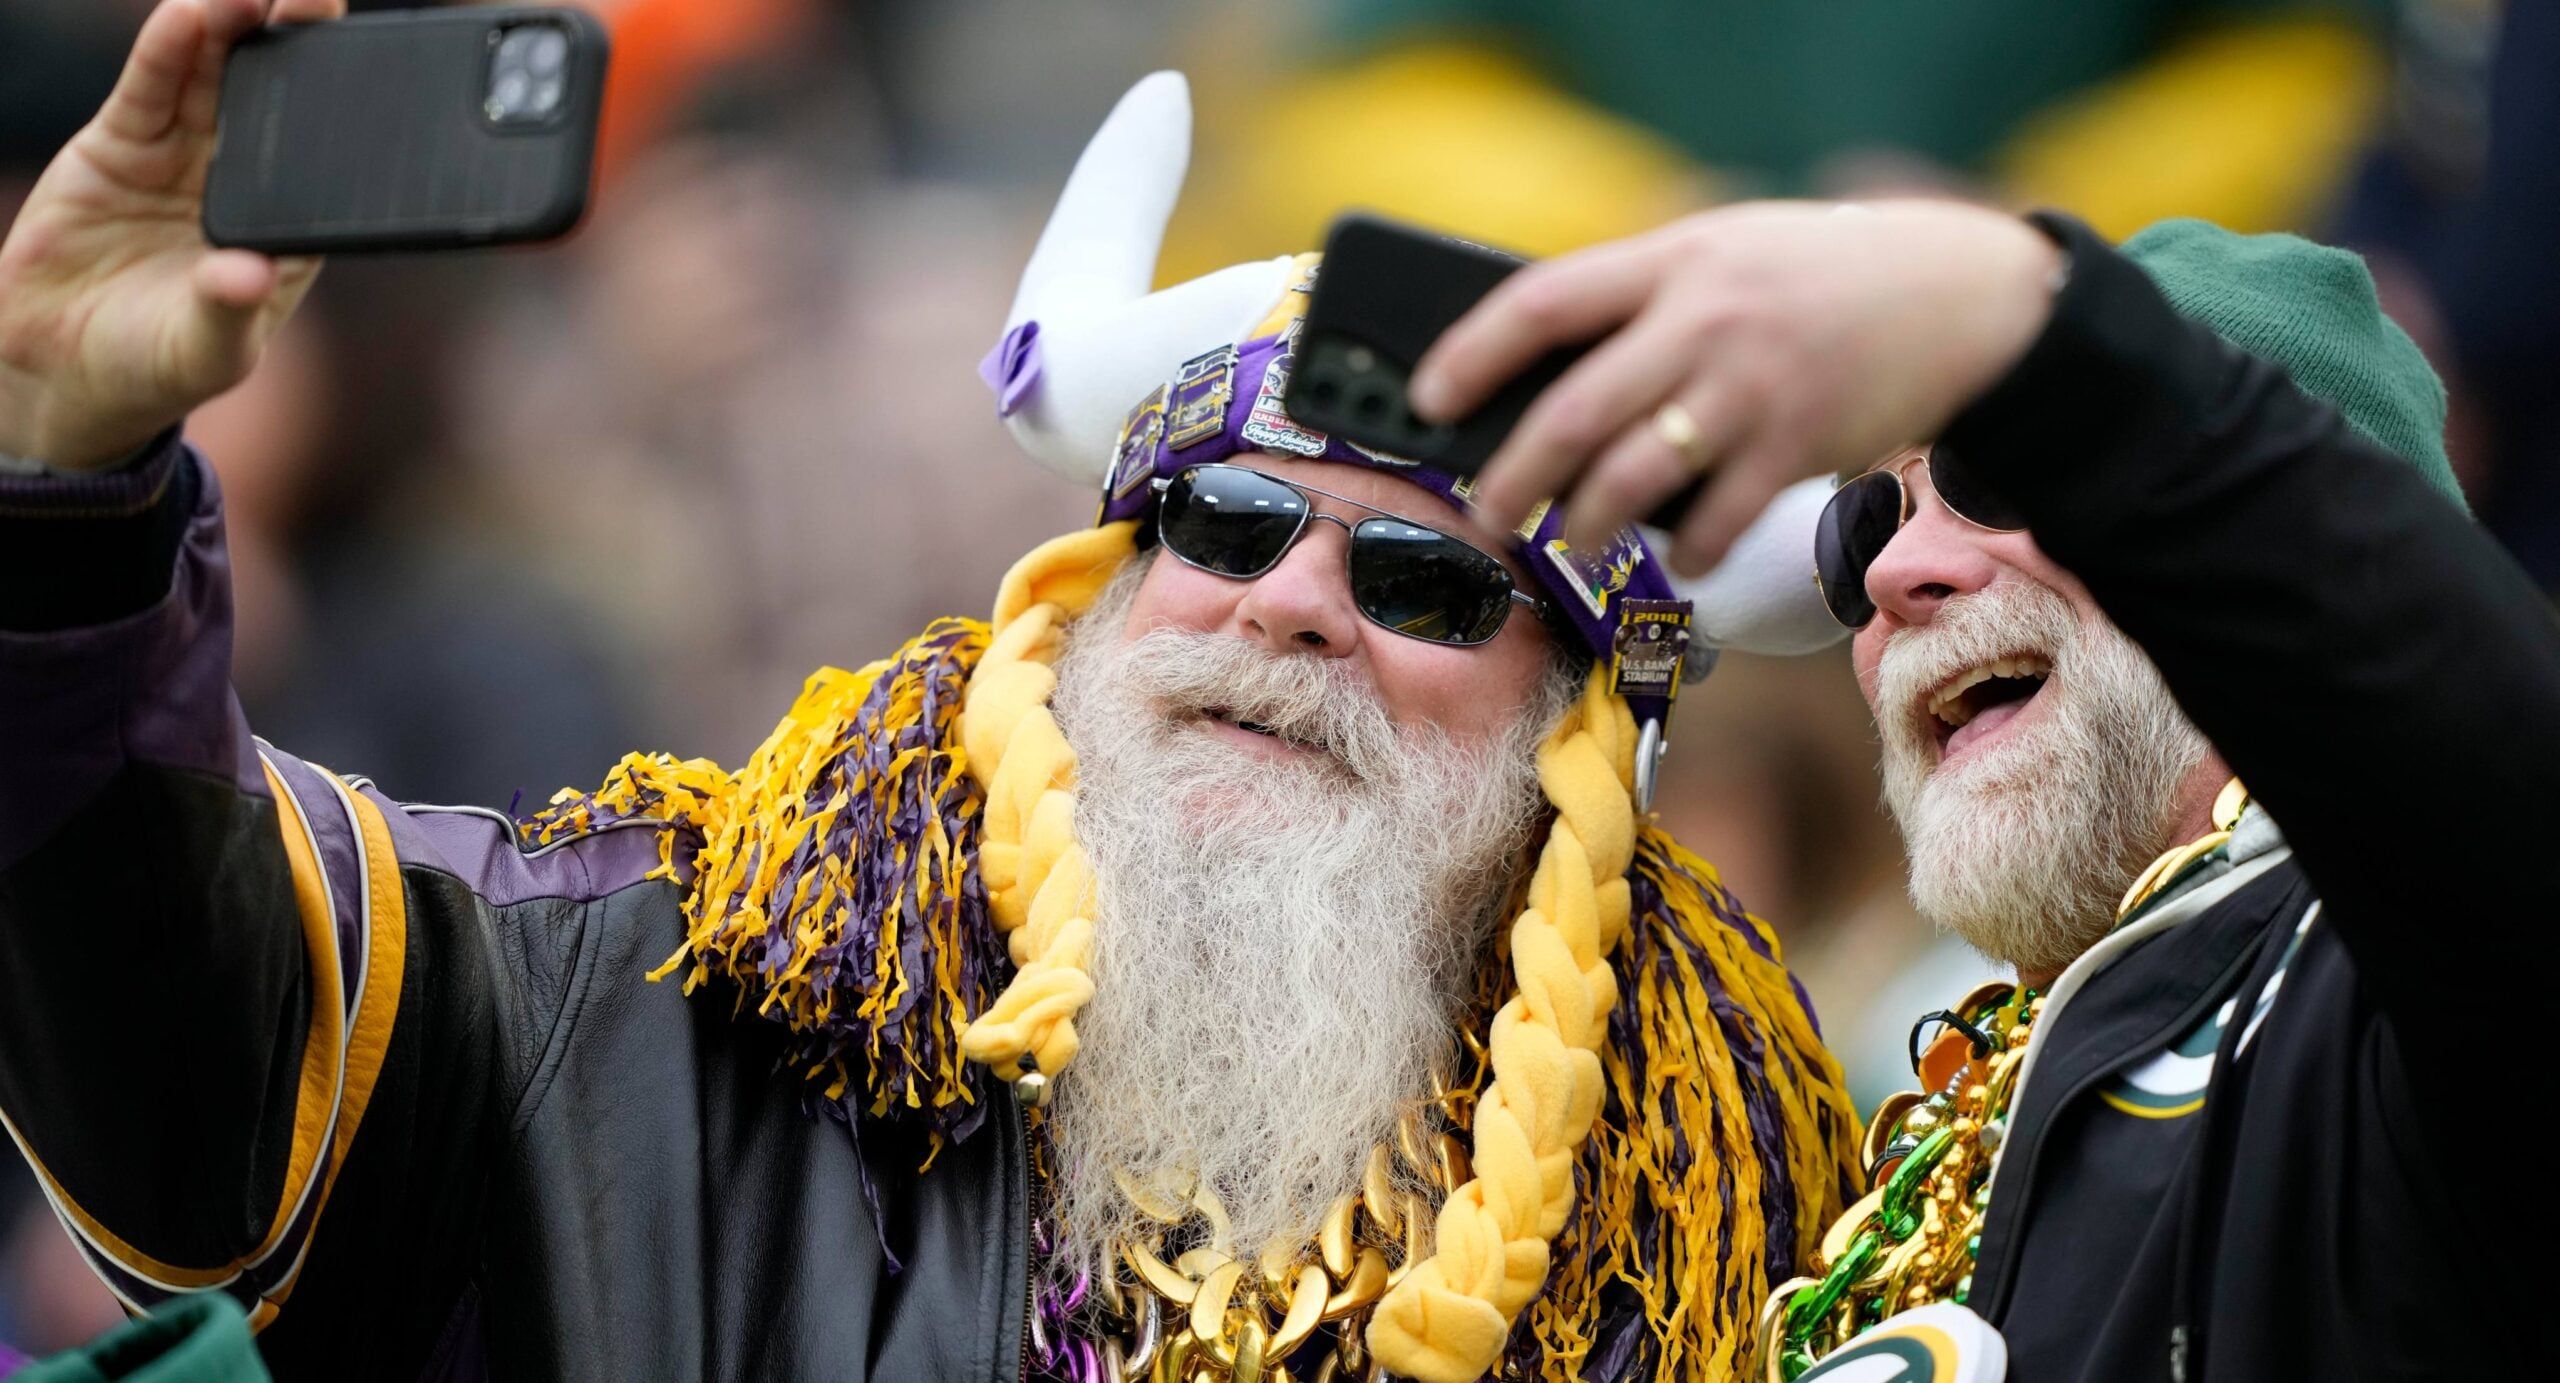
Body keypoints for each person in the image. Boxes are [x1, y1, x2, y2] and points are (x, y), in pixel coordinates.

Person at [0, 3, 1858, 1380]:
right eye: (1215, 519)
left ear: (1588, 741)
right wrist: (62, 487)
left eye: (1426, 579)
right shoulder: (659, 1007)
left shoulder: (1725, 1237)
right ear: (1103, 590)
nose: (1290, 603)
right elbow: (182, 1037)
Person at [1403, 198, 2554, 1374]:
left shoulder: (2399, 1006)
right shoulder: (1916, 1171)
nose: (1897, 571)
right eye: (1864, 524)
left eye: (2007, 467)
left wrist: (2020, 315)